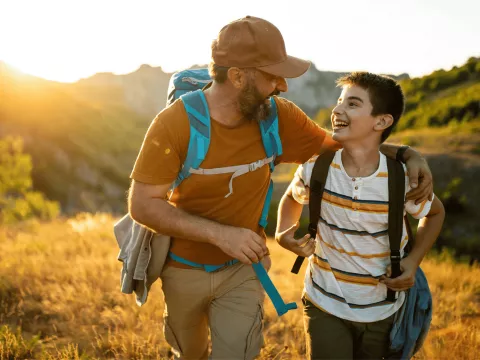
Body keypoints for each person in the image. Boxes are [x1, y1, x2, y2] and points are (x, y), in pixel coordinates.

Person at [128, 16, 433, 360]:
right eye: (273, 76)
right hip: (181, 269)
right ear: (238, 76)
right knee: (190, 352)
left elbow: (343, 145)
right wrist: (220, 235)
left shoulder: (278, 117)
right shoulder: (174, 124)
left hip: (242, 271)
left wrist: (406, 154)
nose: (283, 86)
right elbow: (143, 205)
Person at [275, 72, 445, 359]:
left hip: (382, 310)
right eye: (339, 101)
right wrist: (282, 233)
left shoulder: (400, 179)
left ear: (381, 121)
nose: (337, 109)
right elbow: (292, 197)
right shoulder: (317, 167)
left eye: (352, 104)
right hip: (323, 302)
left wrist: (413, 262)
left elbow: (436, 213)